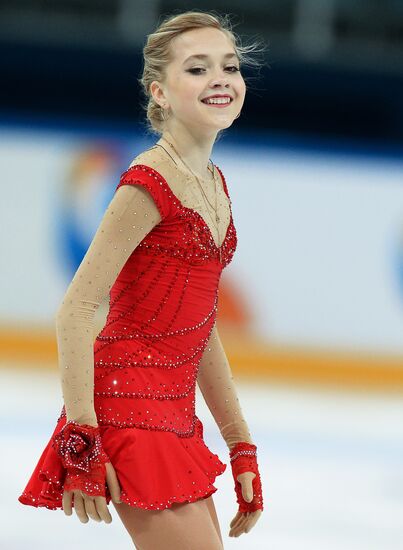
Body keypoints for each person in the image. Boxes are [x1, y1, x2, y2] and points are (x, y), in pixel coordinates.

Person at [18, 10, 265, 549]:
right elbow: (77, 310)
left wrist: (240, 443)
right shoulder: (147, 183)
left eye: (229, 66)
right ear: (160, 92)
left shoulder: (214, 183)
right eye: (197, 69)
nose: (220, 78)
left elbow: (201, 327)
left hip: (174, 411)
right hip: (128, 405)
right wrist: (82, 437)